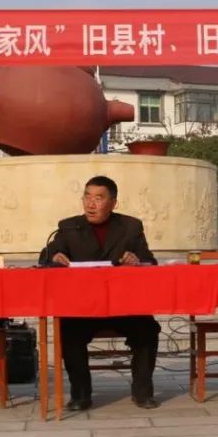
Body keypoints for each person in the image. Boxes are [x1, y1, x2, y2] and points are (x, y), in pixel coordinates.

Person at [45, 175, 161, 411]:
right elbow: (48, 254)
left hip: (123, 305)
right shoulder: (69, 226)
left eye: (98, 198)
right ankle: (80, 396)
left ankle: (142, 393)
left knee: (148, 330)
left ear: (113, 203)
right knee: (68, 331)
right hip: (84, 307)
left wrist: (137, 260)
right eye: (87, 197)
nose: (91, 203)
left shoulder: (130, 227)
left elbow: (150, 261)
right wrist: (54, 257)